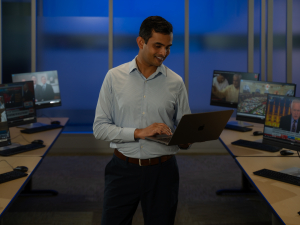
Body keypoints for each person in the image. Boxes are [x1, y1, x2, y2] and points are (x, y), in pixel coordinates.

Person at [93, 16, 191, 225]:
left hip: (163, 172)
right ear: (141, 42)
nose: (164, 53)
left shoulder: (176, 82)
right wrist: (139, 132)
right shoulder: (113, 77)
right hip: (122, 169)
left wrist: (185, 138)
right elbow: (100, 128)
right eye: (158, 46)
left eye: (168, 47)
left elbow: (185, 129)